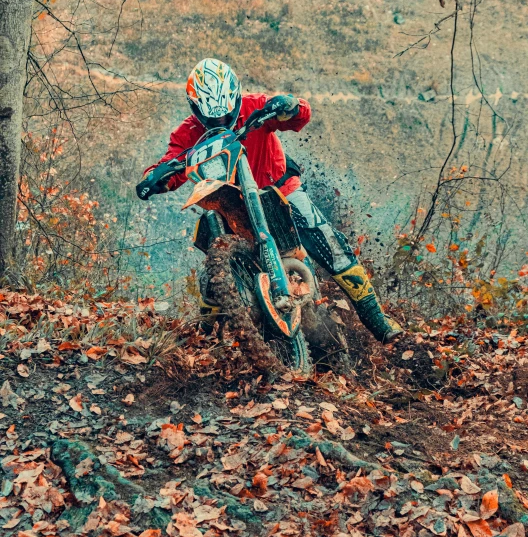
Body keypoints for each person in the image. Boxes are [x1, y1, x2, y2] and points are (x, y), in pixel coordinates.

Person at [142, 58, 403, 344]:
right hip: (228, 203)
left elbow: (299, 115)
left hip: (278, 190)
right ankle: (202, 338)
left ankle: (379, 322)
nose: (220, 121)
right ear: (195, 109)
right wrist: (156, 178)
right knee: (211, 269)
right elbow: (169, 167)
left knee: (330, 244)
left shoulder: (255, 106)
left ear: (235, 98)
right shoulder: (187, 134)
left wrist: (288, 105)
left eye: (225, 114)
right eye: (212, 119)